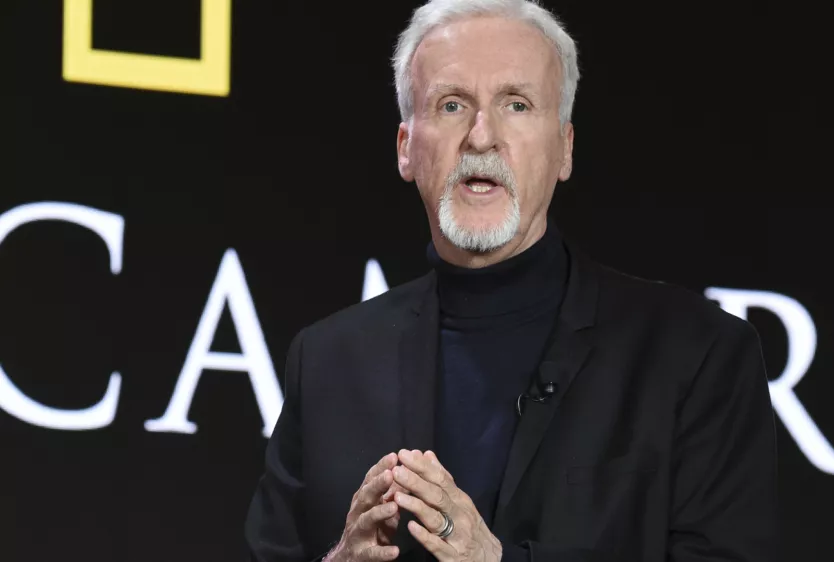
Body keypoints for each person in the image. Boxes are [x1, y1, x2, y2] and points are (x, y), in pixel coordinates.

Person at [244, 0, 778, 560]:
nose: (481, 137)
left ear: (564, 149)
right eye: (452, 105)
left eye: (516, 105)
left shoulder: (697, 356)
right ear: (406, 148)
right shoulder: (329, 361)